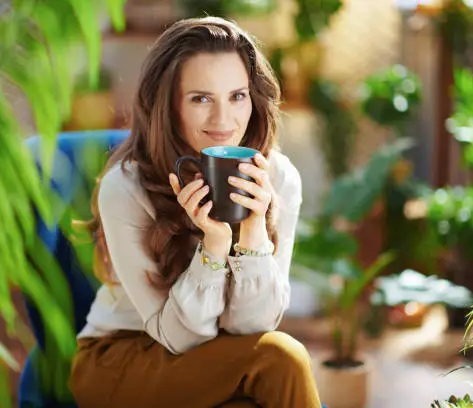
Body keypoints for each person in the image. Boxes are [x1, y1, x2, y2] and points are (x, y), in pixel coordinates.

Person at [69, 16, 322, 408]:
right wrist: (215, 247)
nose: (223, 121)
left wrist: (253, 232)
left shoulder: (279, 179)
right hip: (122, 358)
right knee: (281, 359)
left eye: (237, 96)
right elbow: (180, 339)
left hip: (223, 356)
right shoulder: (126, 186)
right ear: (168, 105)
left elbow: (251, 327)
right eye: (201, 98)